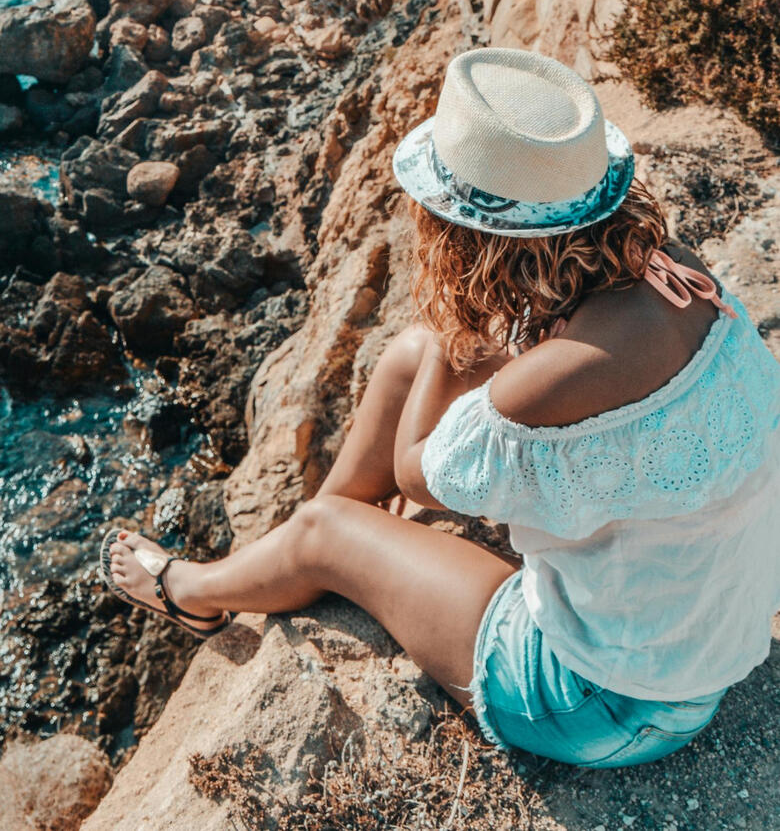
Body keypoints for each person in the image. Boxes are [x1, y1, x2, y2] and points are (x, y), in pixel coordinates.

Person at [102, 47, 780, 767]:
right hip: (699, 639)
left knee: (345, 497)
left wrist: (452, 342)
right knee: (404, 361)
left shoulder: (554, 381)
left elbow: (420, 473)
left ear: (469, 236)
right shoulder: (674, 270)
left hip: (605, 702)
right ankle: (309, 559)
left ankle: (196, 591)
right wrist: (440, 349)